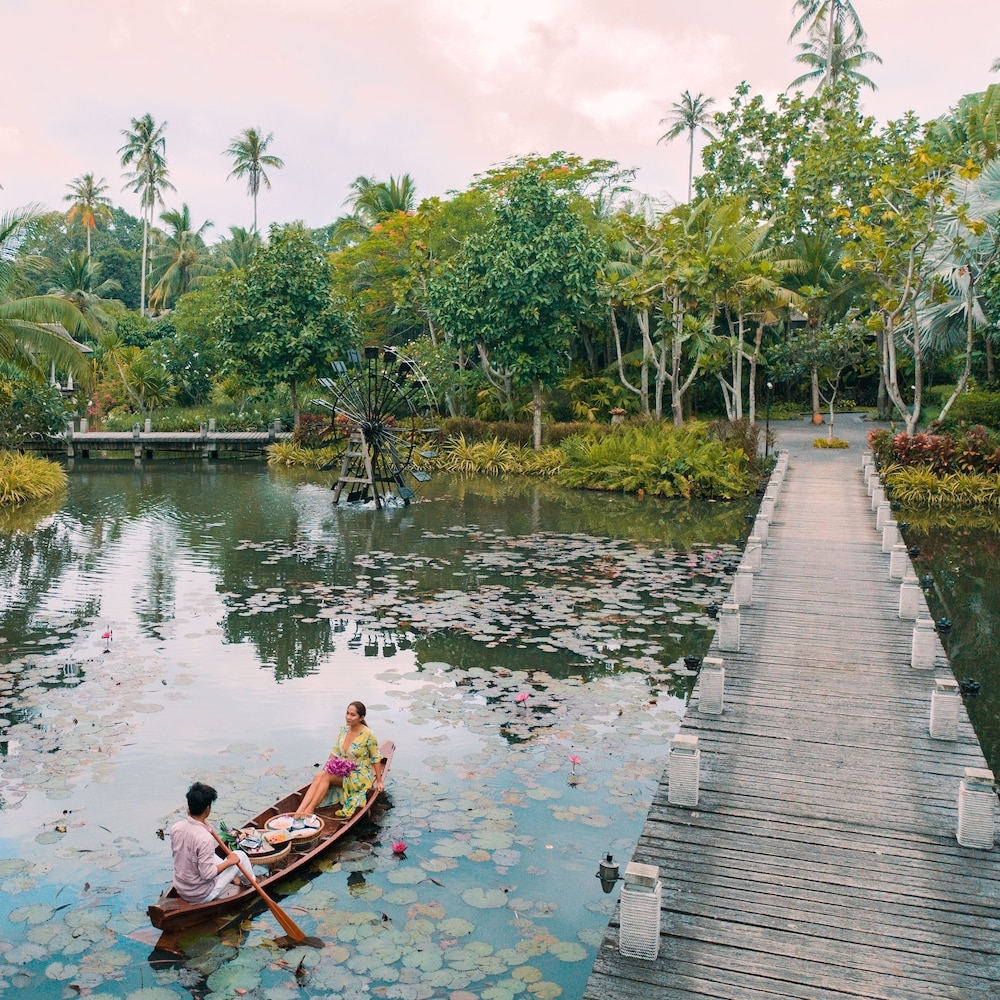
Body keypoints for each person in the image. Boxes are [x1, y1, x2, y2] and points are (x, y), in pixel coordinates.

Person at [296, 700, 384, 818]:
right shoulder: (343, 730)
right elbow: (335, 752)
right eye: (347, 713)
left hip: (359, 774)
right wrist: (324, 770)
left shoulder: (368, 734)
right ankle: (299, 811)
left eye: (353, 715)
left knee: (326, 777)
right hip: (343, 770)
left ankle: (308, 812)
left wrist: (379, 781)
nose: (348, 717)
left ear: (361, 717)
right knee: (319, 775)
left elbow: (376, 758)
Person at [170, 781, 253, 903]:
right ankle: (251, 883)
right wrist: (229, 862)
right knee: (240, 856)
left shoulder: (176, 828)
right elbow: (207, 875)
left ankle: (236, 877)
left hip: (181, 888)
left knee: (212, 856)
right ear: (207, 809)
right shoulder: (205, 838)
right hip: (201, 894)